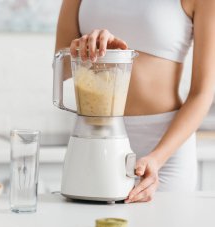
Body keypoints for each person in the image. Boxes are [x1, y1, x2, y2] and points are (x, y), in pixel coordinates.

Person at [55, 0, 215, 203]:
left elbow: (202, 93)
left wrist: (157, 158)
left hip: (164, 147)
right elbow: (63, 69)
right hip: (96, 138)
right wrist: (83, 51)